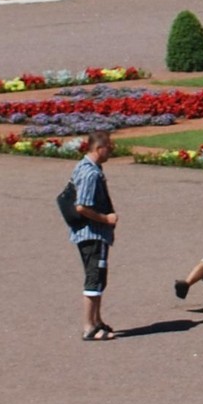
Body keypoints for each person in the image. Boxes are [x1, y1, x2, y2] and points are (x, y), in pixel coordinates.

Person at [67, 132, 119, 341]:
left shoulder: (86, 167)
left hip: (89, 233)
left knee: (99, 279)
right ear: (99, 149)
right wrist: (106, 219)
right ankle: (89, 326)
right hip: (93, 234)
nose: (110, 152)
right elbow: (82, 206)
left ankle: (97, 321)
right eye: (109, 148)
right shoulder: (91, 173)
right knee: (94, 278)